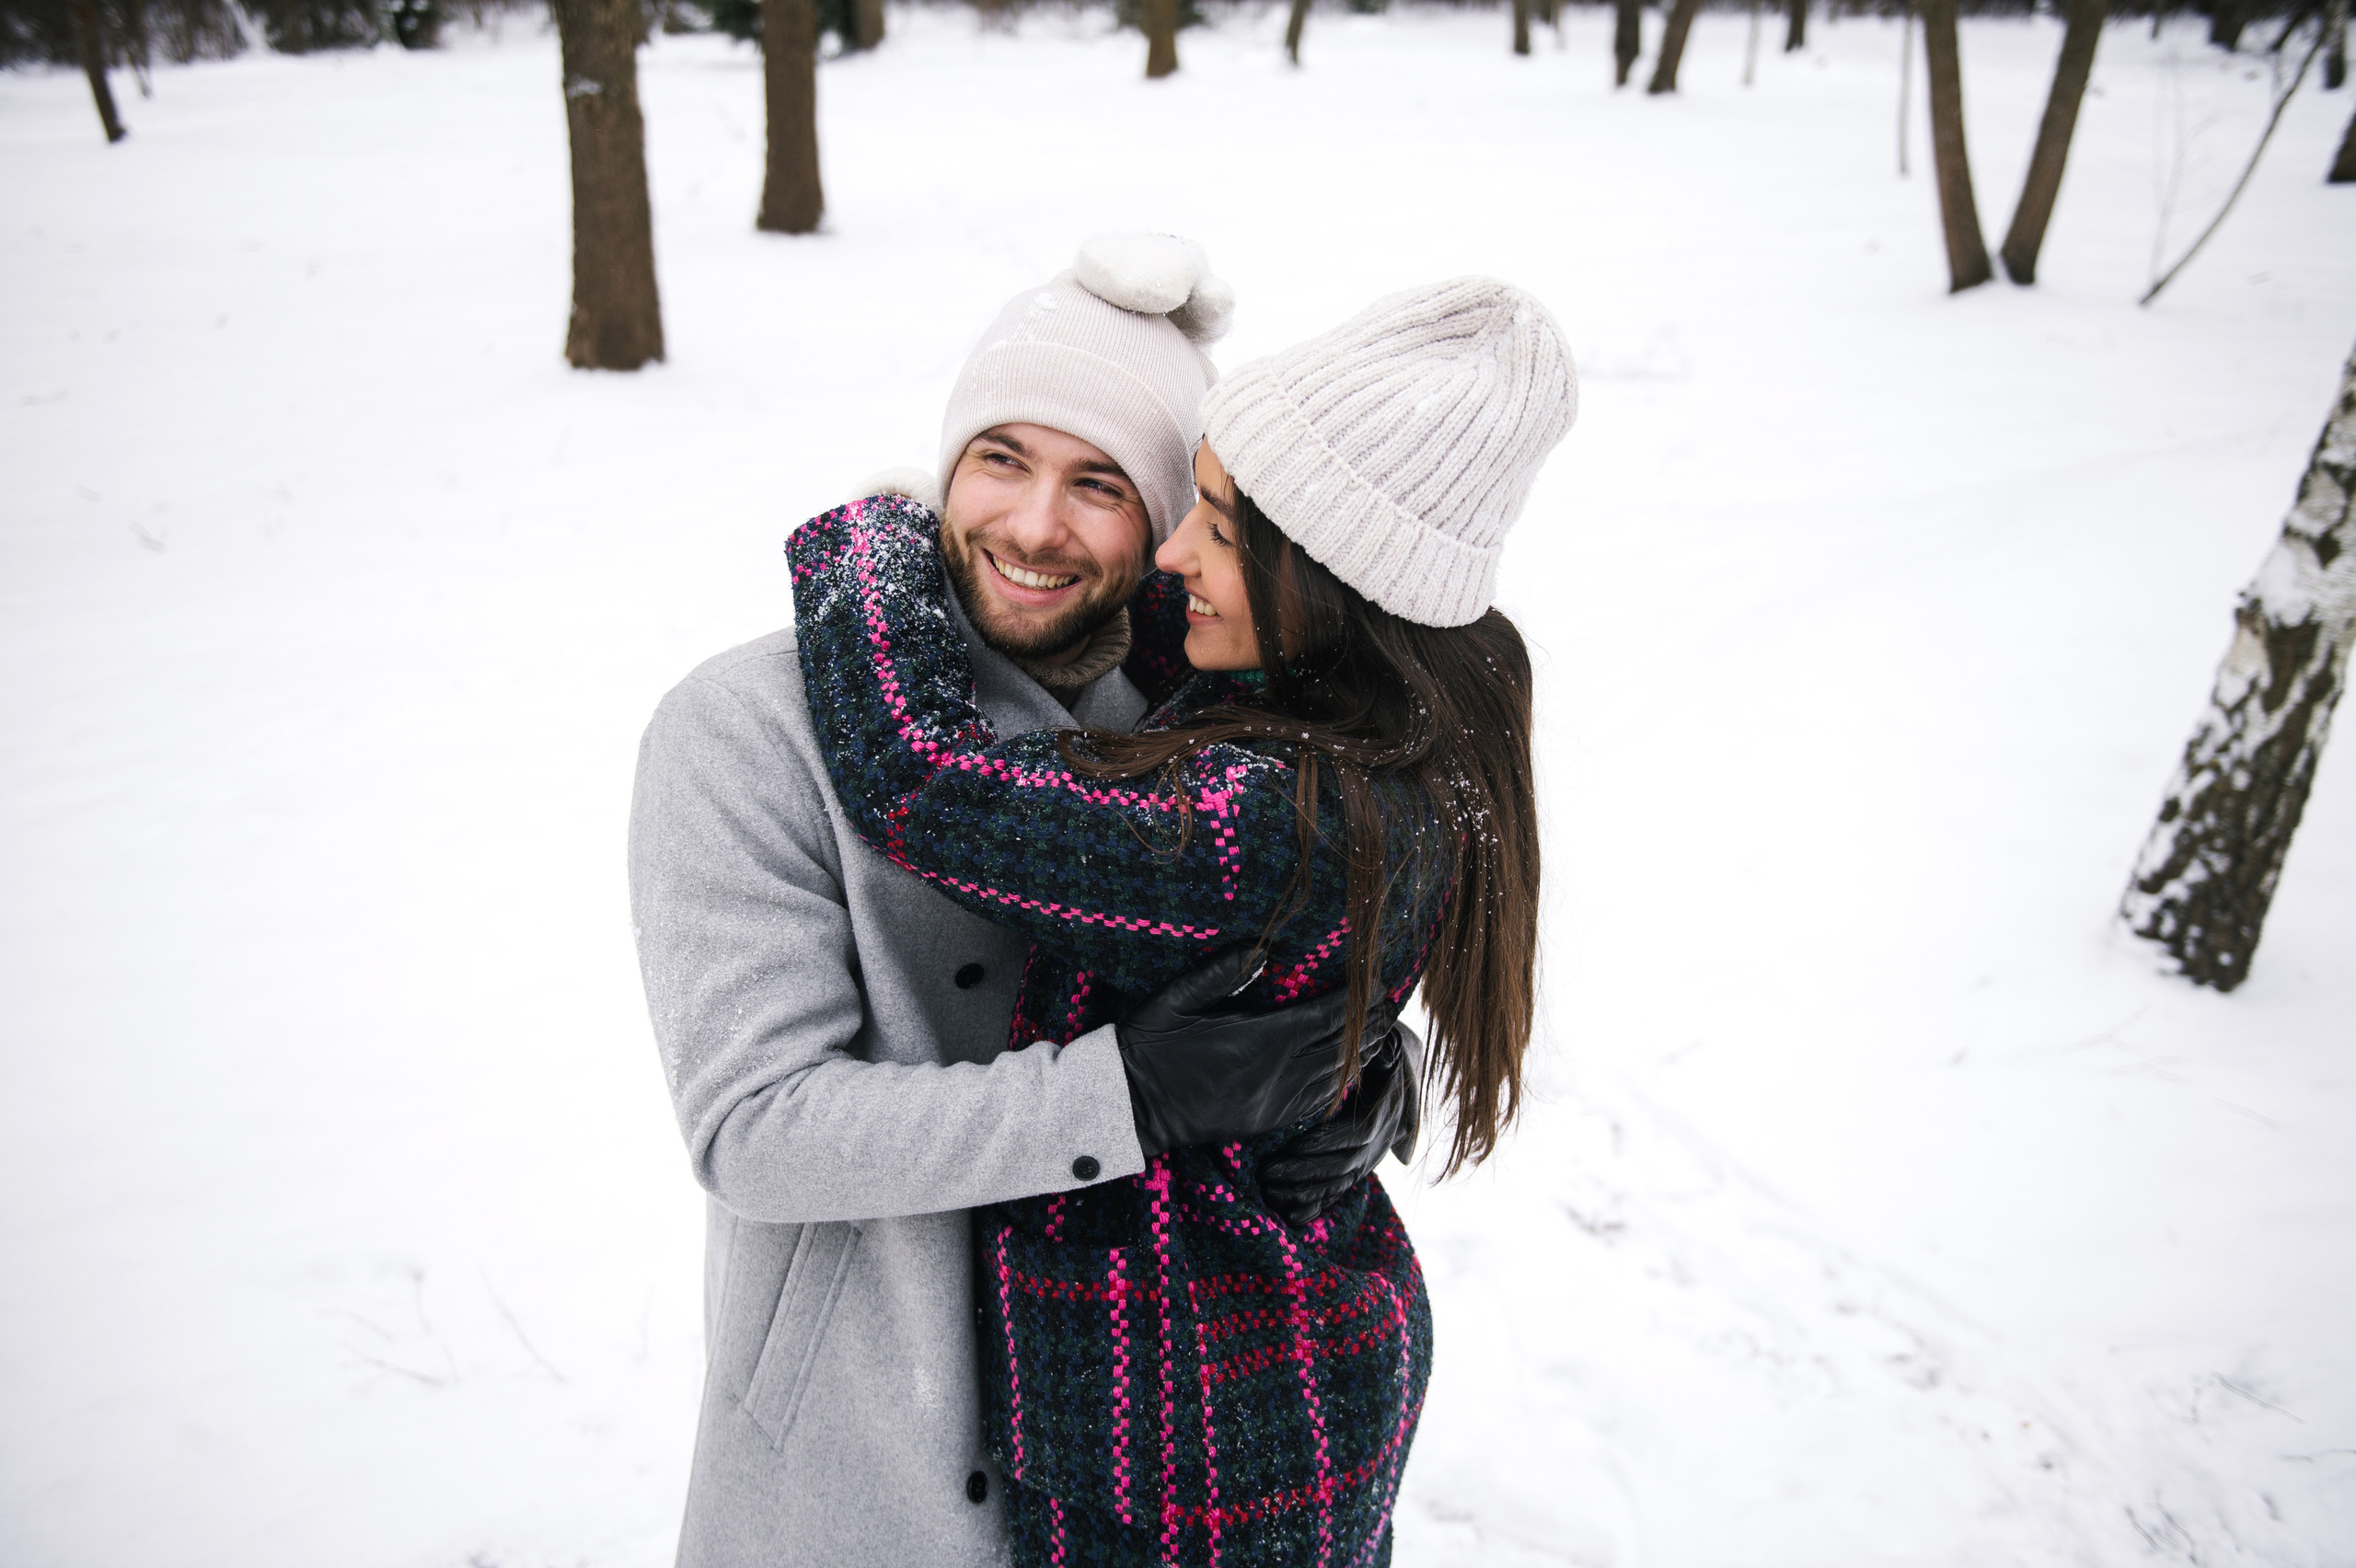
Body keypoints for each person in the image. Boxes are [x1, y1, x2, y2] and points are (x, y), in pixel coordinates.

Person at [628, 236, 1415, 1568]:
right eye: (1001, 459)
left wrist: (1351, 1069)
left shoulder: (1196, 729)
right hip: (869, 1466)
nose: (1035, 526)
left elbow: (1311, 934)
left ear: (1168, 520)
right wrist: (1129, 1098)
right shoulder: (747, 731)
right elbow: (756, 1129)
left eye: (1100, 483)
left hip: (1150, 1480)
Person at [783, 276, 1578, 1566]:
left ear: (1325, 573)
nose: (1169, 558)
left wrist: (886, 531)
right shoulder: (1389, 729)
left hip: (1199, 1444)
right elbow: (1143, 612)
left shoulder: (1266, 820)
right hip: (1280, 1372)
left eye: (1211, 524)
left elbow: (926, 777)